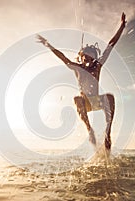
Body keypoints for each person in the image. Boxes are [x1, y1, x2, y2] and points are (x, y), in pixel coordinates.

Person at [36, 13, 126, 150]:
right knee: (77, 99)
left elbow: (110, 46)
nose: (88, 59)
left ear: (94, 57)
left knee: (110, 97)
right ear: (81, 57)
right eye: (85, 56)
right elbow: (63, 57)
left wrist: (121, 27)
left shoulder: (98, 66)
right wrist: (49, 45)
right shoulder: (77, 68)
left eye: (91, 56)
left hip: (96, 101)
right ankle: (90, 130)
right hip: (85, 104)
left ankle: (108, 133)